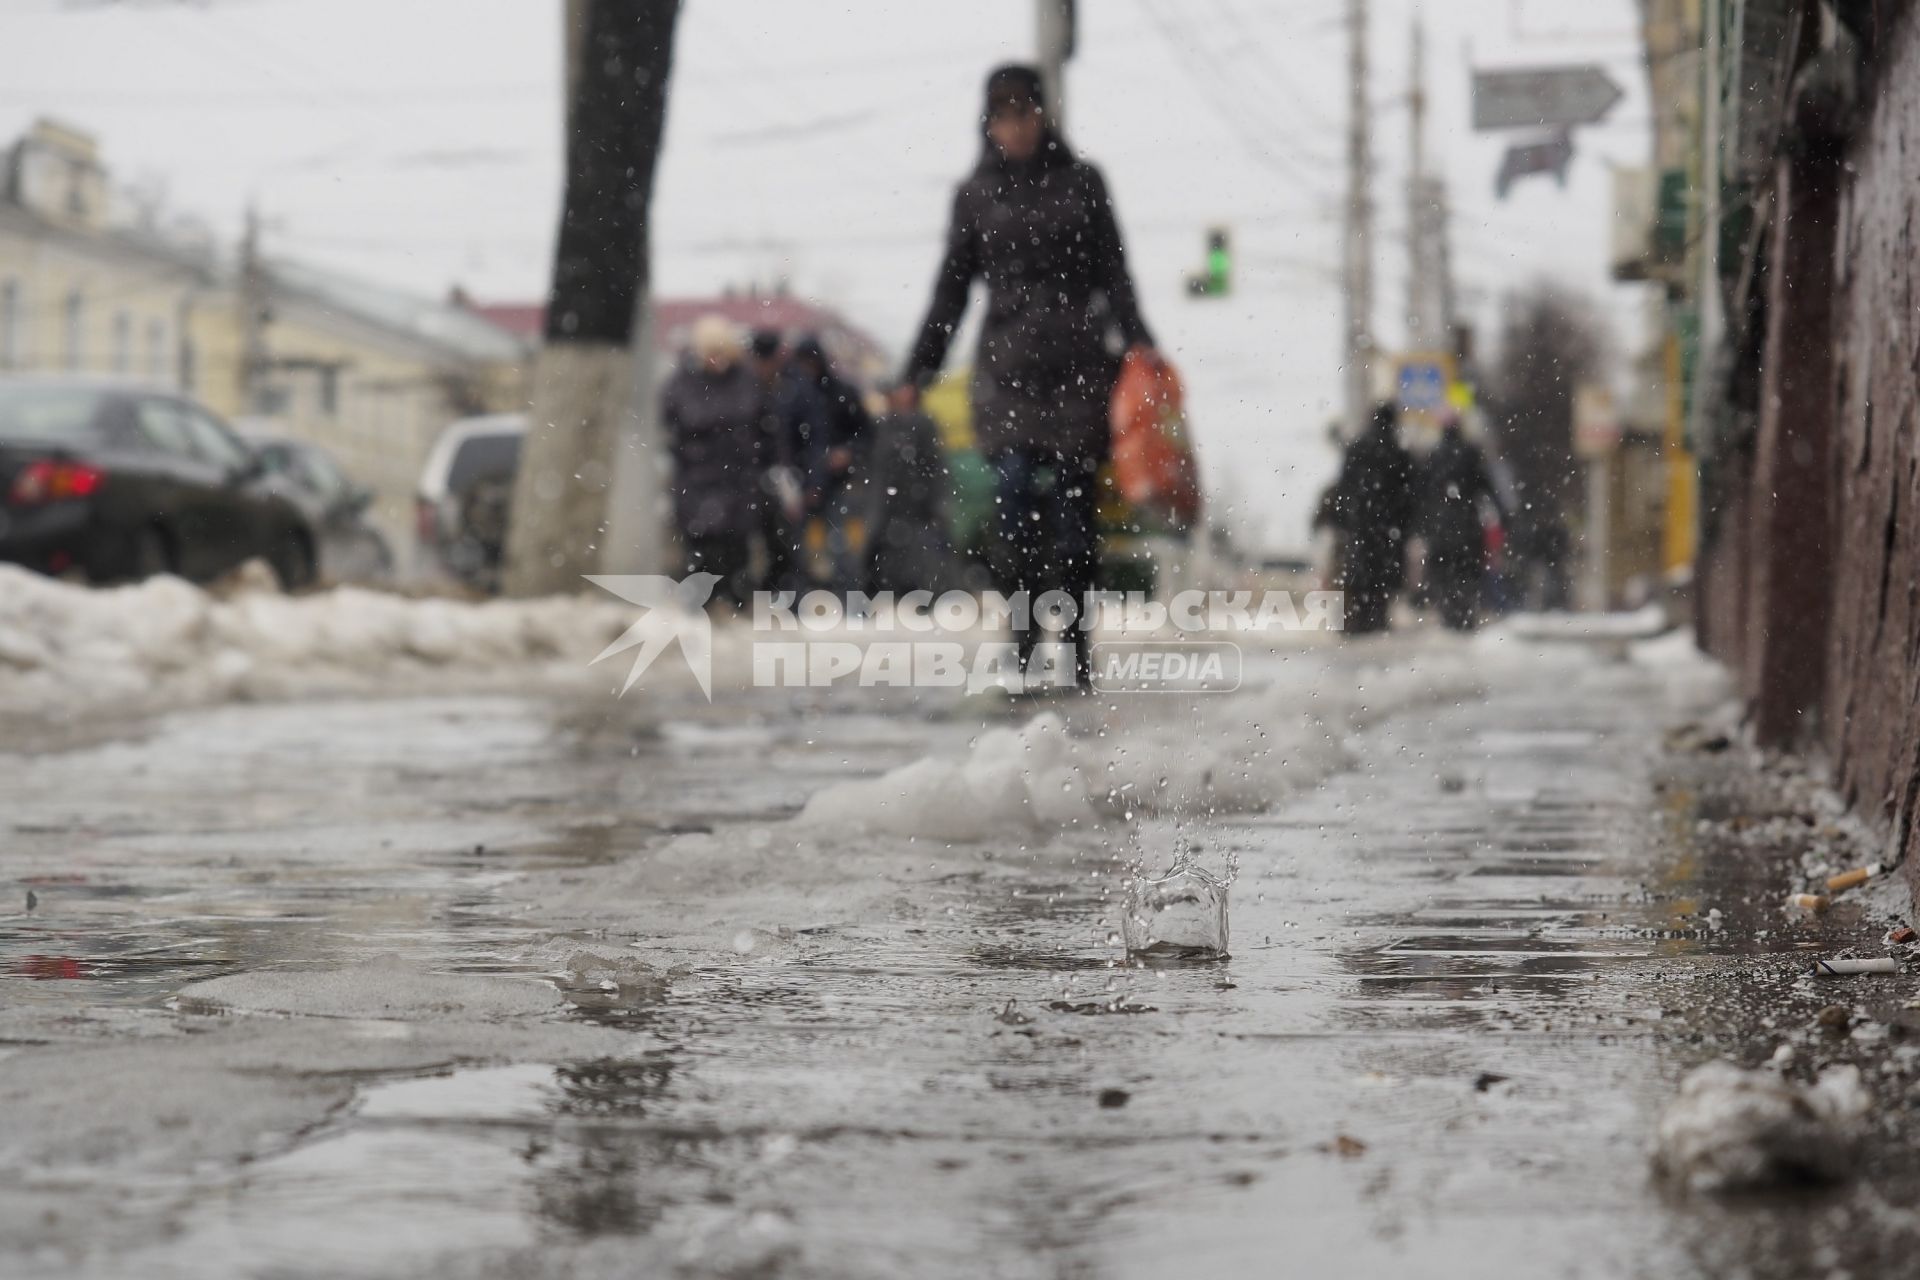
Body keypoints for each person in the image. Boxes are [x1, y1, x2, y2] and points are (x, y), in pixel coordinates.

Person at [901, 62, 1157, 687]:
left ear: (1043, 116)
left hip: (1078, 368)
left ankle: (1073, 648)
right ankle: (1020, 643)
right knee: (1014, 509)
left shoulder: (1083, 183)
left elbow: (1114, 273)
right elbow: (951, 290)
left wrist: (1141, 346)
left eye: (1023, 113)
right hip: (1008, 371)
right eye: (1001, 116)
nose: (1013, 127)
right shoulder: (975, 194)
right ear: (986, 124)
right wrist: (919, 368)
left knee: (1073, 519)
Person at [661, 315, 766, 610]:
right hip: (697, 480)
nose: (716, 359)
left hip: (738, 479)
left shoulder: (746, 382)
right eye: (711, 352)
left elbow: (764, 426)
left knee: (735, 547)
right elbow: (674, 420)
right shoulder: (683, 382)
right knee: (701, 547)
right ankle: (700, 604)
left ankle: (735, 602)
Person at [776, 335, 870, 591]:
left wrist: (847, 452)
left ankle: (849, 598)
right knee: (797, 548)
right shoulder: (789, 394)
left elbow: (865, 432)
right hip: (800, 479)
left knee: (839, 545)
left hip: (835, 480)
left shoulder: (841, 393)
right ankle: (800, 596)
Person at [1323, 403, 1417, 635]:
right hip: (1388, 529)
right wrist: (1405, 525)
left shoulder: (1357, 447)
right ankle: (1377, 622)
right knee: (1381, 583)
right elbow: (1407, 495)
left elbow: (1344, 487)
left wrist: (1343, 520)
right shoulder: (1398, 451)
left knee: (1358, 578)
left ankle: (1355, 623)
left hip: (1360, 525)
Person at [863, 383, 955, 594]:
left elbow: (935, 464)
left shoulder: (923, 424)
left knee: (922, 549)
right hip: (887, 498)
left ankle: (926, 591)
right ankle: (877, 589)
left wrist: (938, 500)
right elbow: (876, 462)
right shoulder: (884, 424)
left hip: (917, 497)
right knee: (881, 544)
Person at [1417, 416, 1504, 631]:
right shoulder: (1470, 455)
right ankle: (1464, 614)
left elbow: (1420, 494)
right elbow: (1486, 488)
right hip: (1467, 526)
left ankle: (1449, 613)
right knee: (1467, 573)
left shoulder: (1433, 458)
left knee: (1444, 574)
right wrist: (1503, 515)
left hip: (1440, 529)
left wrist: (1421, 525)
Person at [747, 327, 803, 593]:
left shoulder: (791, 389)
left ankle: (782, 593)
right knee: (760, 541)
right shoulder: (748, 389)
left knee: (783, 542)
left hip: (783, 474)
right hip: (753, 476)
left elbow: (801, 436)